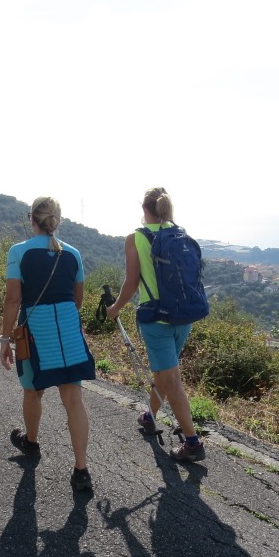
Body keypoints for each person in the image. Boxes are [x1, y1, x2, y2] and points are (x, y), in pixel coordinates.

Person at [0, 197, 96, 492]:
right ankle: (81, 470)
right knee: (74, 399)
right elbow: (77, 300)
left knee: (33, 390)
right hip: (68, 332)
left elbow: (13, 299)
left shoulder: (19, 252)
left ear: (31, 218)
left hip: (35, 332)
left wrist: (5, 339)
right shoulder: (73, 254)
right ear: (58, 219)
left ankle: (31, 443)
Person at [105, 186, 206, 461]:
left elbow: (131, 283)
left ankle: (192, 443)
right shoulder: (180, 233)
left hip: (156, 320)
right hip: (184, 317)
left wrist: (114, 309)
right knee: (164, 372)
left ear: (144, 209)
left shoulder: (135, 238)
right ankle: (149, 416)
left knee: (171, 380)